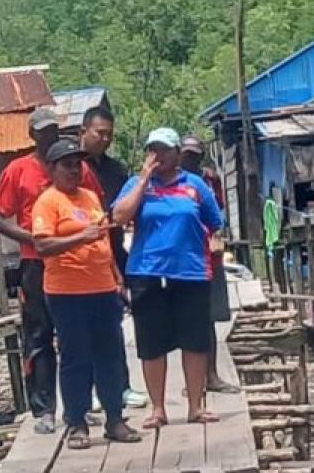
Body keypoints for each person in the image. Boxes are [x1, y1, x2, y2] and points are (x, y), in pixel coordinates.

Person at [0, 108, 103, 434]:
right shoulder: (18, 170)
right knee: (38, 335)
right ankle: (43, 409)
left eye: (53, 129)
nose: (48, 135)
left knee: (80, 334)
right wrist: (40, 240)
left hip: (78, 263)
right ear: (32, 135)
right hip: (37, 263)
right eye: (41, 131)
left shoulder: (75, 166)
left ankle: (81, 404)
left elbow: (98, 208)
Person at [33, 138, 141, 449]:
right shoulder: (48, 202)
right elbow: (42, 245)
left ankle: (115, 419)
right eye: (66, 165)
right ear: (52, 169)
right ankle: (77, 422)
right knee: (75, 357)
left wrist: (117, 279)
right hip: (67, 293)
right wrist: (81, 236)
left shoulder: (91, 197)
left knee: (109, 356)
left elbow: (103, 242)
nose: (73, 170)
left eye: (77, 164)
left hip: (103, 290)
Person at [113, 127, 224, 428]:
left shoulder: (196, 185)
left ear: (177, 154)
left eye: (163, 150)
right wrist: (143, 180)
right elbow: (120, 217)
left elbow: (215, 221)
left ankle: (195, 407)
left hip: (189, 272)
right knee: (151, 342)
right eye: (153, 150)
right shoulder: (136, 185)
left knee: (194, 340)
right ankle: (158, 408)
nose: (157, 156)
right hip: (147, 272)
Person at [80, 106, 149, 410]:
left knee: (113, 321)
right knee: (83, 327)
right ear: (84, 131)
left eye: (110, 134)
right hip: (81, 257)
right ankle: (90, 388)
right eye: (100, 133)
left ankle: (120, 385)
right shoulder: (72, 167)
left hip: (114, 251)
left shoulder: (116, 170)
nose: (105, 140)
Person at [180, 135, 241, 395]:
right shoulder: (170, 181)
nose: (190, 159)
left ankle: (212, 376)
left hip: (208, 257)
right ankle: (193, 381)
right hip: (182, 260)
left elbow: (218, 213)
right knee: (186, 321)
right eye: (186, 154)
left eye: (195, 155)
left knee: (210, 320)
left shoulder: (208, 181)